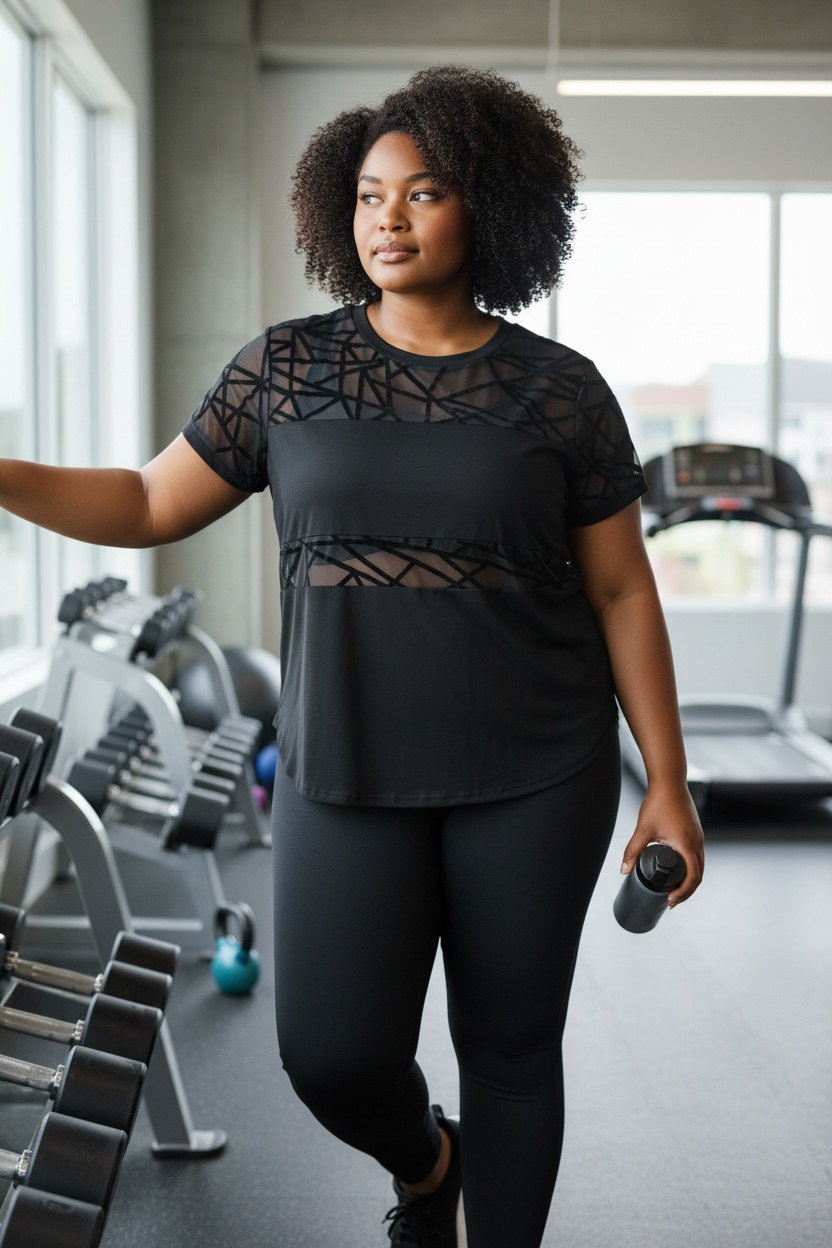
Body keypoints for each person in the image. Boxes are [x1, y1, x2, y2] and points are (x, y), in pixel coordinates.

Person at [0, 65, 704, 1248]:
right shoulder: (286, 371)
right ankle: (430, 1167)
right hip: (345, 761)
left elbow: (622, 588)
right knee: (329, 1053)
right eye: (371, 194)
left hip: (537, 766)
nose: (390, 217)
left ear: (489, 206)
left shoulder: (562, 393)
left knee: (512, 1050)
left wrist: (669, 783)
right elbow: (145, 499)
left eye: (423, 192)